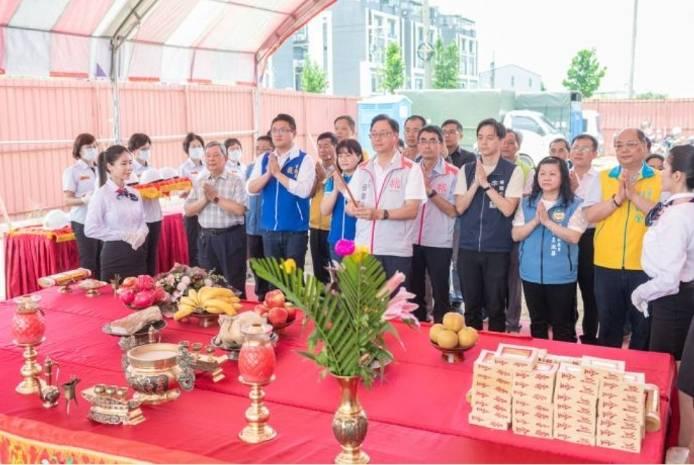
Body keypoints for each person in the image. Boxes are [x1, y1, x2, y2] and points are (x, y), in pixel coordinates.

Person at [630, 145, 694, 451]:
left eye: (665, 167)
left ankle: (671, 440)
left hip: (674, 297)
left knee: (668, 369)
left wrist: (640, 293)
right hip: (679, 294)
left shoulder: (678, 216)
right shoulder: (677, 207)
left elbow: (669, 278)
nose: (661, 173)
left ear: (678, 175)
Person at [583, 128, 662, 350]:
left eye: (630, 144)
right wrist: (617, 199)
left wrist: (634, 196)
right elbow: (589, 215)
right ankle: (608, 375)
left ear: (646, 147)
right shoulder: (603, 177)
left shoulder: (659, 179)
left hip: (646, 266)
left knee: (642, 326)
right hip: (607, 263)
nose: (623, 150)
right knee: (608, 325)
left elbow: (664, 217)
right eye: (618, 145)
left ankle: (640, 375)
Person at [455, 118, 524, 332]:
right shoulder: (466, 170)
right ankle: (471, 349)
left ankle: (495, 351)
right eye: (480, 137)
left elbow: (507, 209)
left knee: (496, 307)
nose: (484, 142)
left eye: (490, 137)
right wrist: (476, 182)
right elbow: (460, 207)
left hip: (497, 248)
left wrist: (486, 184)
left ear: (501, 140)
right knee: (471, 306)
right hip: (467, 247)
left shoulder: (513, 171)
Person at [512, 156, 587, 342]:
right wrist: (536, 221)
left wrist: (547, 222)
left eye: (553, 173)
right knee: (537, 324)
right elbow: (516, 234)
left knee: (563, 326)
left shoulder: (575, 204)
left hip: (561, 276)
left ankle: (563, 367)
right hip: (530, 274)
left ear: (563, 177)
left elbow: (573, 236)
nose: (546, 177)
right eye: (542, 173)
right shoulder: (527, 203)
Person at [346, 114, 426, 285]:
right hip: (364, 249)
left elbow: (412, 210)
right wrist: (352, 208)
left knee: (394, 307)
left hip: (395, 250)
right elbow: (349, 203)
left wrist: (380, 214)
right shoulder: (362, 168)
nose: (377, 138)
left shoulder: (411, 169)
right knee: (366, 306)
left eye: (383, 133)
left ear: (395, 136)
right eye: (373, 134)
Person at [247, 114, 316, 270]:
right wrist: (268, 175)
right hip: (269, 229)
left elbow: (305, 191)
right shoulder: (264, 159)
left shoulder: (304, 159)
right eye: (274, 130)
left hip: (295, 230)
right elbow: (250, 189)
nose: (278, 134)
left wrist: (279, 174)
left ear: (294, 133)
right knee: (274, 281)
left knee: (293, 279)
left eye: (283, 130)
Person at [185, 141, 247, 296]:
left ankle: (237, 319)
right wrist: (205, 200)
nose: (211, 159)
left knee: (233, 283)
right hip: (207, 239)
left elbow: (240, 210)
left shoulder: (236, 181)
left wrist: (216, 198)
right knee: (209, 283)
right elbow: (188, 210)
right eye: (208, 156)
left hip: (231, 238)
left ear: (225, 158)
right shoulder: (200, 181)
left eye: (216, 155)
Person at [411, 125, 458, 323]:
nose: (427, 146)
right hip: (411, 239)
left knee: (441, 292)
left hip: (439, 242)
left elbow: (453, 210)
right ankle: (417, 332)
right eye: (423, 140)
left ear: (441, 145)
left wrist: (429, 190)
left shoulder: (453, 173)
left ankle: (442, 331)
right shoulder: (409, 170)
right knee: (414, 293)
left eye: (433, 141)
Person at [85, 145, 148, 282]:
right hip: (115, 255)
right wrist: (123, 235)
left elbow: (142, 221)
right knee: (116, 299)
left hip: (138, 252)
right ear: (110, 166)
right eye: (123, 164)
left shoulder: (135, 193)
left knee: (141, 295)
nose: (129, 167)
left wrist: (142, 233)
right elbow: (90, 229)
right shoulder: (101, 195)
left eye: (130, 163)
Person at [499, 128, 533, 332]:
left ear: (518, 147)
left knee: (513, 277)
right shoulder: (486, 166)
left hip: (516, 228)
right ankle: (494, 315)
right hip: (493, 229)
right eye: (502, 141)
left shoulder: (526, 169)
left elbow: (525, 200)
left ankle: (512, 321)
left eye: (511, 142)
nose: (506, 146)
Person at [569, 134, 600, 344]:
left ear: (595, 154)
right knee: (566, 289)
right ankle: (567, 332)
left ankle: (590, 335)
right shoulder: (561, 174)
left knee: (590, 290)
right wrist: (568, 191)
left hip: (590, 237)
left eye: (585, 148)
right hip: (566, 236)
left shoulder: (600, 178)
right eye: (575, 147)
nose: (578, 151)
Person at [63, 133, 101, 277]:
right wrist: (84, 200)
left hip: (101, 220)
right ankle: (89, 293)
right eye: (88, 147)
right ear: (79, 150)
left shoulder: (101, 169)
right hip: (83, 221)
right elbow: (67, 200)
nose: (92, 149)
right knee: (89, 262)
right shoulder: (72, 171)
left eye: (94, 146)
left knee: (102, 260)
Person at [321, 139, 363, 261]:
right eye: (340, 156)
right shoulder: (333, 179)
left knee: (356, 279)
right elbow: (324, 211)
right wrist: (336, 188)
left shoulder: (365, 178)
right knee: (337, 279)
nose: (343, 159)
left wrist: (344, 189)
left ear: (359, 156)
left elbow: (359, 207)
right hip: (336, 240)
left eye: (348, 155)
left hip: (358, 240)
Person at [245, 135, 274, 302]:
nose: (261, 152)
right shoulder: (250, 168)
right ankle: (260, 293)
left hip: (269, 226)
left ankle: (272, 294)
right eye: (258, 148)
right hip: (251, 225)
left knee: (270, 263)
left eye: (266, 149)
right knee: (255, 262)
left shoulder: (276, 169)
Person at [129, 133, 162, 276]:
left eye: (148, 148)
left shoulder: (152, 169)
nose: (146, 152)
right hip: (140, 219)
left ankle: (151, 283)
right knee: (140, 254)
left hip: (155, 216)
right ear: (133, 151)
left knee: (152, 253)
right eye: (143, 149)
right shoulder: (130, 170)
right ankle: (141, 283)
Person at [309, 132, 337, 283]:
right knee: (319, 271)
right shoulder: (316, 168)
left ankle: (338, 304)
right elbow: (309, 194)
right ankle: (321, 302)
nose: (323, 150)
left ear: (335, 147)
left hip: (332, 227)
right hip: (315, 226)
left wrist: (325, 179)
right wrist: (318, 180)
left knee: (335, 269)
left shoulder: (341, 168)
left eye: (327, 146)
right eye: (320, 146)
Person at [178, 132, 206, 267]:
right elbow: (179, 191)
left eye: (199, 146)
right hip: (192, 212)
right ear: (187, 150)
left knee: (205, 245)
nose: (197, 149)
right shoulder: (183, 168)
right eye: (193, 146)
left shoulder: (207, 165)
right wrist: (187, 192)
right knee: (193, 245)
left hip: (207, 211)